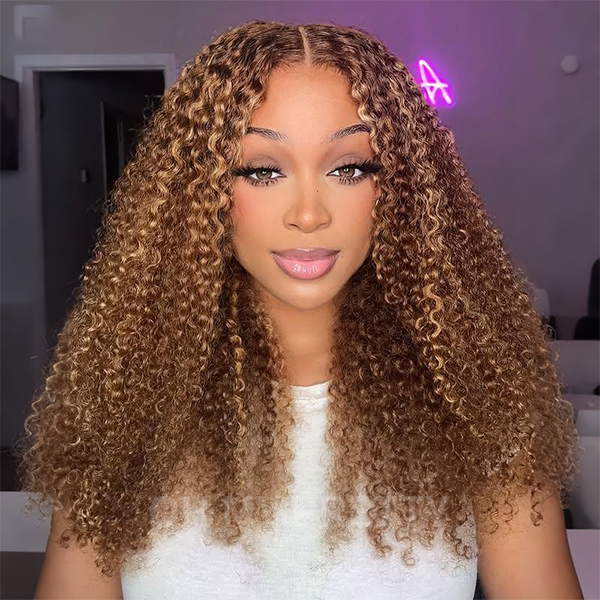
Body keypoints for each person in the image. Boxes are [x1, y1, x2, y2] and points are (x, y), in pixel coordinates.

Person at [14, 19, 584, 600]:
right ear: (199, 189)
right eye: (263, 171)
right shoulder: (123, 400)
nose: (309, 214)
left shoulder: (480, 401)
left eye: (349, 168)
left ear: (402, 188)